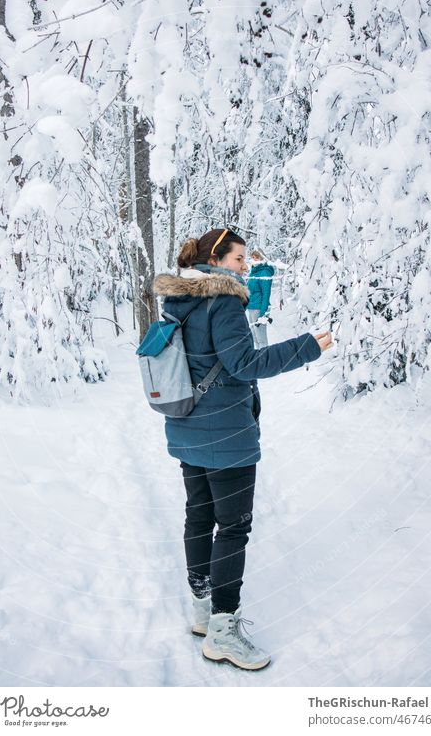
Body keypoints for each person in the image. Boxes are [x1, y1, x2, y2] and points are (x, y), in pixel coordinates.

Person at [152, 228, 333, 671]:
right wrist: (307, 347)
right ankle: (224, 631)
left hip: (185, 427)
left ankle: (202, 608)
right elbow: (245, 364)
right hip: (226, 435)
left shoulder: (179, 299)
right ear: (217, 258)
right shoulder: (226, 300)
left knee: (199, 514)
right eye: (238, 260)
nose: (245, 267)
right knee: (232, 528)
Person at [246, 248, 274, 348]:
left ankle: (265, 361)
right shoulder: (253, 273)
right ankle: (258, 361)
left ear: (262, 258)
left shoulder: (264, 273)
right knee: (255, 338)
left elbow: (266, 294)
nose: (254, 260)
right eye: (252, 257)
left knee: (261, 339)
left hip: (259, 309)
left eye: (256, 257)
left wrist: (263, 314)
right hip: (252, 308)